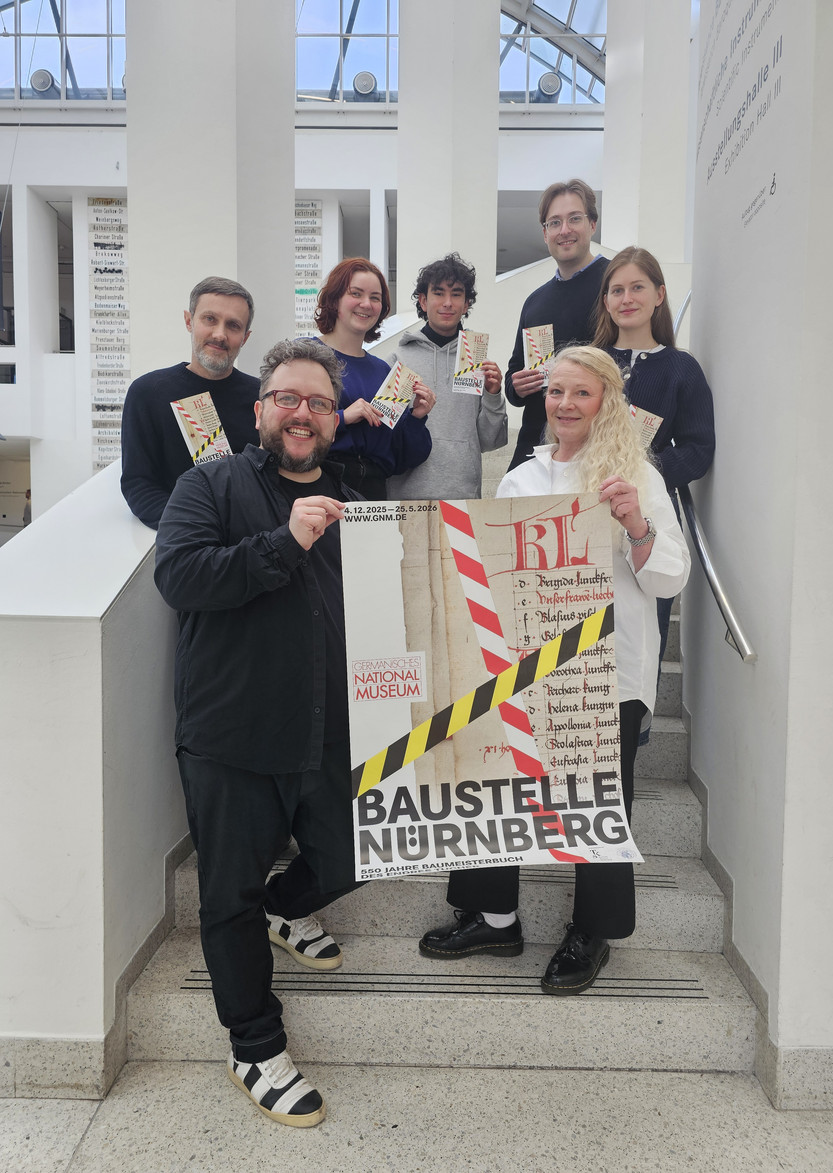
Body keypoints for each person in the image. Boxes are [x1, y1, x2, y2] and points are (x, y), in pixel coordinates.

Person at [418, 346, 690, 994]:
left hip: (607, 668)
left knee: (596, 799)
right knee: (495, 779)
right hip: (527, 663)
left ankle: (591, 932)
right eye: (556, 391)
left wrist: (636, 524)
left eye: (581, 393)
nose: (564, 404)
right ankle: (494, 915)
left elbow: (670, 575)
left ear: (607, 403)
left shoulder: (639, 478)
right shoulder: (521, 479)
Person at [154, 337, 365, 1127]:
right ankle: (254, 1044)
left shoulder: (357, 494)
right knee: (227, 897)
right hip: (231, 735)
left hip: (329, 730)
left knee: (356, 854)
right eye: (288, 398)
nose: (301, 412)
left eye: (317, 401)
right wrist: (285, 542)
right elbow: (180, 577)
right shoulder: (207, 483)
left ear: (332, 418)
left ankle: (291, 904)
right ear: (261, 409)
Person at [593, 245, 715, 663]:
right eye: (616, 290)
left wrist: (643, 474)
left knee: (642, 634)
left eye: (637, 287)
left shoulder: (682, 369)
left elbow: (700, 450)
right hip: (582, 510)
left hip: (647, 516)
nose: (626, 299)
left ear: (660, 295)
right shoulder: (589, 363)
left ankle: (637, 730)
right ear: (606, 301)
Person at [121, 276, 259, 528]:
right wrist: (197, 528)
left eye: (233, 325)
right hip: (185, 546)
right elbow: (139, 484)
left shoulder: (262, 397)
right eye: (209, 319)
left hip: (254, 544)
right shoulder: (148, 393)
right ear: (189, 321)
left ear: (245, 337)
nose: (220, 334)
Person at [504, 179, 609, 470]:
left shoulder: (616, 286)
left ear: (592, 224)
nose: (564, 230)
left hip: (597, 452)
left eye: (574, 219)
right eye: (555, 222)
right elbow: (514, 375)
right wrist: (517, 386)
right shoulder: (535, 302)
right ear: (544, 232)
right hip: (536, 451)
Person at [385, 252, 507, 501]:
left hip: (463, 496)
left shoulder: (476, 360)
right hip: (405, 496)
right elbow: (385, 436)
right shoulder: (399, 359)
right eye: (438, 293)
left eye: (457, 294)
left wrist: (493, 395)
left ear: (467, 304)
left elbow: (489, 440)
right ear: (422, 300)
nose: (448, 302)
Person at [315, 257, 435, 500]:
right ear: (335, 298)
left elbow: (403, 460)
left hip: (374, 492)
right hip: (319, 482)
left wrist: (416, 419)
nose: (366, 304)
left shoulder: (384, 372)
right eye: (356, 293)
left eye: (375, 298)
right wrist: (343, 417)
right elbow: (285, 423)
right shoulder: (306, 354)